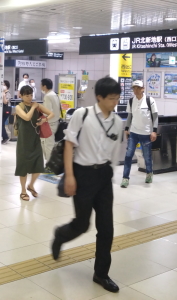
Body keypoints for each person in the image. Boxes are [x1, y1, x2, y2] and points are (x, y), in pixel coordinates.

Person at [51, 77, 123, 293]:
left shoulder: (118, 121)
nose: (115, 102)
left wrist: (111, 174)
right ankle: (60, 236)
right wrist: (70, 176)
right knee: (82, 224)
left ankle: (101, 273)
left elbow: (114, 151)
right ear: (99, 97)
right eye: (111, 98)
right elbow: (69, 145)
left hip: (103, 176)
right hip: (82, 174)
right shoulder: (82, 115)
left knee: (107, 228)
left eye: (117, 98)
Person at [15, 85, 54, 201]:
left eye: (31, 95)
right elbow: (27, 118)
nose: (30, 98)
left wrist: (44, 120)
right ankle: (23, 191)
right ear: (21, 96)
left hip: (35, 139)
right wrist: (34, 107)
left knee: (38, 165)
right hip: (23, 141)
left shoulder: (37, 106)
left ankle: (31, 185)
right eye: (27, 95)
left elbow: (51, 114)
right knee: (23, 166)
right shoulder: (19, 107)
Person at [121, 80, 158, 188]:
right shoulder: (131, 101)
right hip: (133, 132)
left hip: (146, 133)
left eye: (138, 88)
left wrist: (154, 131)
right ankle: (125, 178)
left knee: (147, 156)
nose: (135, 90)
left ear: (143, 88)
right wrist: (126, 128)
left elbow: (155, 117)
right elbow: (129, 116)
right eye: (134, 88)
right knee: (128, 156)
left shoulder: (149, 100)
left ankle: (149, 173)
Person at [40, 78, 61, 168]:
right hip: (55, 122)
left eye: (41, 85)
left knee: (48, 145)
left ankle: (50, 166)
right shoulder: (55, 94)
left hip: (49, 124)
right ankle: (51, 164)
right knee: (50, 145)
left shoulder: (48, 96)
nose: (40, 87)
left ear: (44, 86)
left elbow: (47, 112)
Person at [2, 80, 12, 144]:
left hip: (6, 110)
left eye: (4, 85)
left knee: (1, 124)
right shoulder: (2, 92)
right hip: (2, 109)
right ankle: (4, 137)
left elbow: (5, 102)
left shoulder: (8, 93)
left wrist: (3, 95)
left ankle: (5, 137)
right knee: (1, 124)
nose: (3, 86)